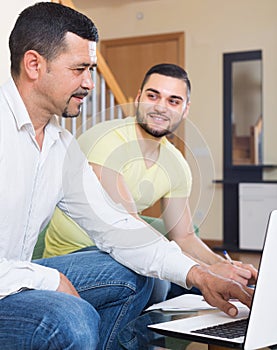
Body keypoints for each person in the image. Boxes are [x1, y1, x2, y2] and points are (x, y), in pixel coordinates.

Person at [0, 3, 254, 349]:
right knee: (71, 318)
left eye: (91, 69)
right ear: (34, 65)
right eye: (79, 69)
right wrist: (47, 278)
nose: (90, 83)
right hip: (14, 279)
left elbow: (116, 225)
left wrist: (200, 273)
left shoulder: (60, 146)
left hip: (15, 279)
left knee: (134, 272)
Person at [44, 63, 258, 302]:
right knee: (153, 278)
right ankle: (136, 341)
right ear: (138, 99)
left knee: (219, 287)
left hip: (123, 252)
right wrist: (206, 271)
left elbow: (184, 236)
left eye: (173, 101)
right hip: (76, 256)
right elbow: (128, 229)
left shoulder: (176, 164)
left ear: (185, 110)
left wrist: (227, 267)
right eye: (152, 96)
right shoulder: (107, 140)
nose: (160, 107)